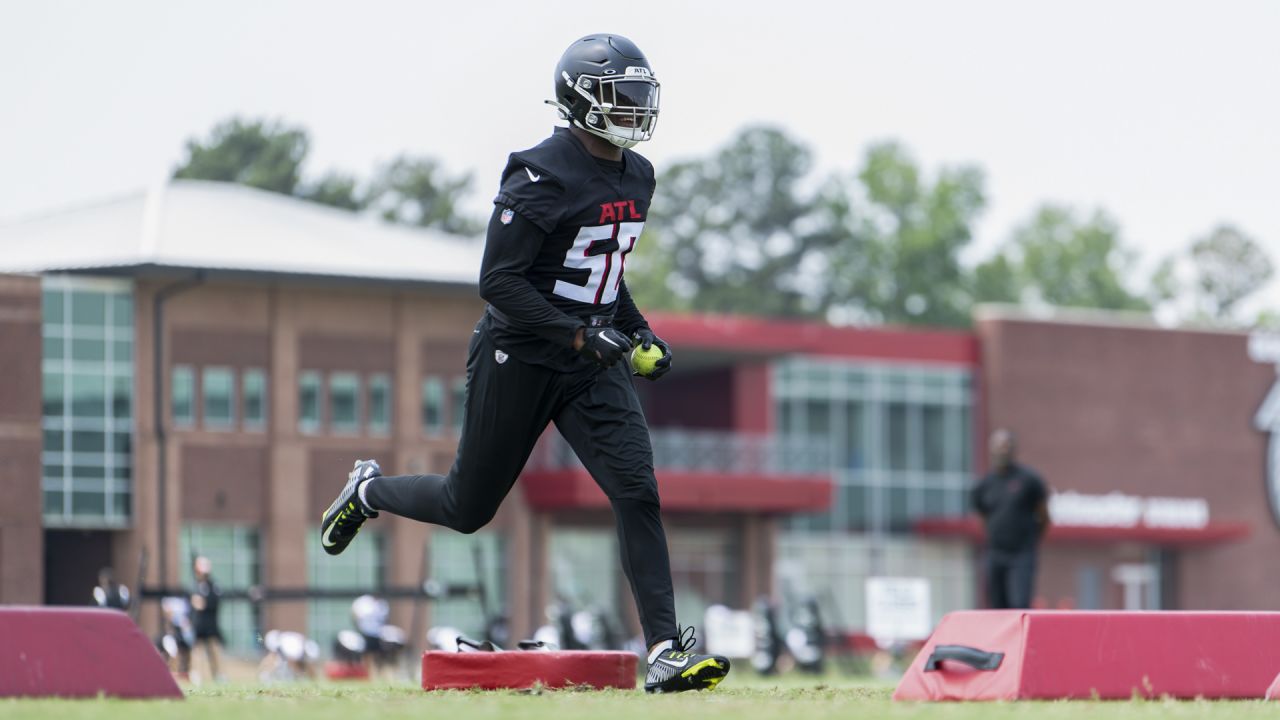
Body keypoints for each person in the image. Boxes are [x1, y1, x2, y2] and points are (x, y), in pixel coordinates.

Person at [319, 33, 729, 693]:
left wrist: (637, 330)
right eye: (621, 96)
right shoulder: (540, 172)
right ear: (581, 98)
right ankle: (367, 490)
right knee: (466, 505)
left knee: (637, 491)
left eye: (638, 97)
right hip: (521, 353)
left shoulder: (638, 175)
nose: (634, 109)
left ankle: (664, 650)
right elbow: (500, 283)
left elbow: (599, 271)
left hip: (589, 360)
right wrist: (575, 335)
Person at [971, 428, 1050, 609]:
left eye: (1006, 446)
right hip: (995, 553)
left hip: (1021, 554)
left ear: (1014, 449)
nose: (1002, 450)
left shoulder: (1030, 480)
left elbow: (1044, 516)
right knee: (996, 606)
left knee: (1020, 604)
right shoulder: (984, 485)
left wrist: (1030, 541)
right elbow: (982, 516)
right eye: (998, 446)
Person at [189, 556, 224, 683]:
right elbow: (191, 604)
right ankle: (196, 674)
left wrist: (204, 603)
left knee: (214, 650)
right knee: (197, 650)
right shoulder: (194, 586)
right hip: (199, 624)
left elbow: (216, 601)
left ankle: (219, 675)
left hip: (211, 624)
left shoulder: (213, 585)